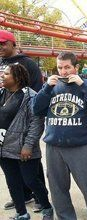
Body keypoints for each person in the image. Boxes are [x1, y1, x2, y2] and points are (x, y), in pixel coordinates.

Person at [32, 52, 87, 220]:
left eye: (67, 67)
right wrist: (46, 88)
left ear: (76, 67)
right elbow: (36, 109)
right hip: (54, 147)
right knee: (57, 190)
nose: (64, 71)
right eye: (60, 67)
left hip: (81, 147)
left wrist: (83, 85)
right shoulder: (51, 87)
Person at [0, 29, 46, 212]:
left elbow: (36, 95)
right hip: (5, 123)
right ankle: (21, 197)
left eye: (3, 43)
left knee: (31, 168)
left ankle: (40, 199)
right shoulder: (1, 62)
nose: (0, 47)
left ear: (13, 43)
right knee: (11, 170)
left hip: (24, 121)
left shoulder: (28, 63)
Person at [0, 63, 53, 220]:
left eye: (7, 73)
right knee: (13, 182)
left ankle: (47, 208)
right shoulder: (2, 93)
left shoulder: (31, 96)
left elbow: (37, 123)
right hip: (3, 147)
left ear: (17, 77)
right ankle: (21, 213)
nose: (3, 75)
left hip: (24, 148)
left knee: (31, 181)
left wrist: (28, 145)